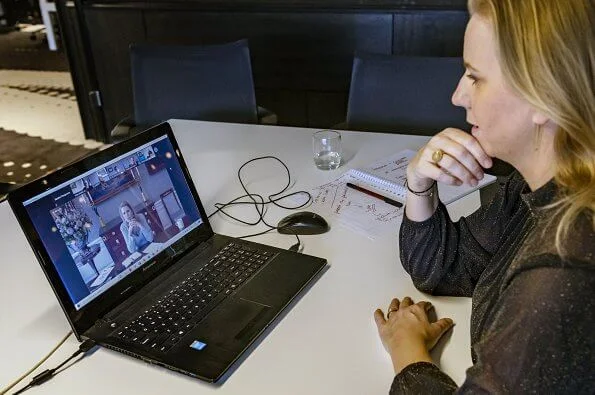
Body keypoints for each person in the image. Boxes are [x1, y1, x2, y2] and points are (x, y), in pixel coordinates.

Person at [373, 0, 595, 393]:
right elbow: (441, 267)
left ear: (542, 93)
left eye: (475, 77)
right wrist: (419, 182)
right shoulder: (543, 187)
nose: (458, 96)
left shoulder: (563, 273)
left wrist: (406, 350)